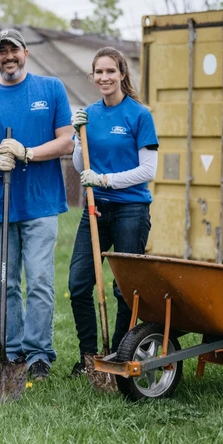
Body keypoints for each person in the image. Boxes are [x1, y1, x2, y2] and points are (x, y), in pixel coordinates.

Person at [0, 29, 74, 381]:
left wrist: (26, 153)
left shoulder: (50, 89)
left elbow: (66, 142)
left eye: (14, 50)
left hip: (40, 204)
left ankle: (39, 354)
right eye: (1, 52)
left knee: (40, 280)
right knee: (5, 283)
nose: (8, 56)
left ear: (25, 53)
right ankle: (12, 352)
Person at [67, 46, 159, 377]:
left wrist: (105, 179)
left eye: (110, 71)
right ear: (92, 77)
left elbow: (148, 170)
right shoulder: (89, 114)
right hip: (96, 209)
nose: (104, 77)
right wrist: (78, 138)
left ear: (122, 74)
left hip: (131, 210)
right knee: (78, 283)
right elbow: (80, 165)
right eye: (98, 72)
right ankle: (89, 357)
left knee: (124, 288)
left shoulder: (139, 115)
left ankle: (119, 355)